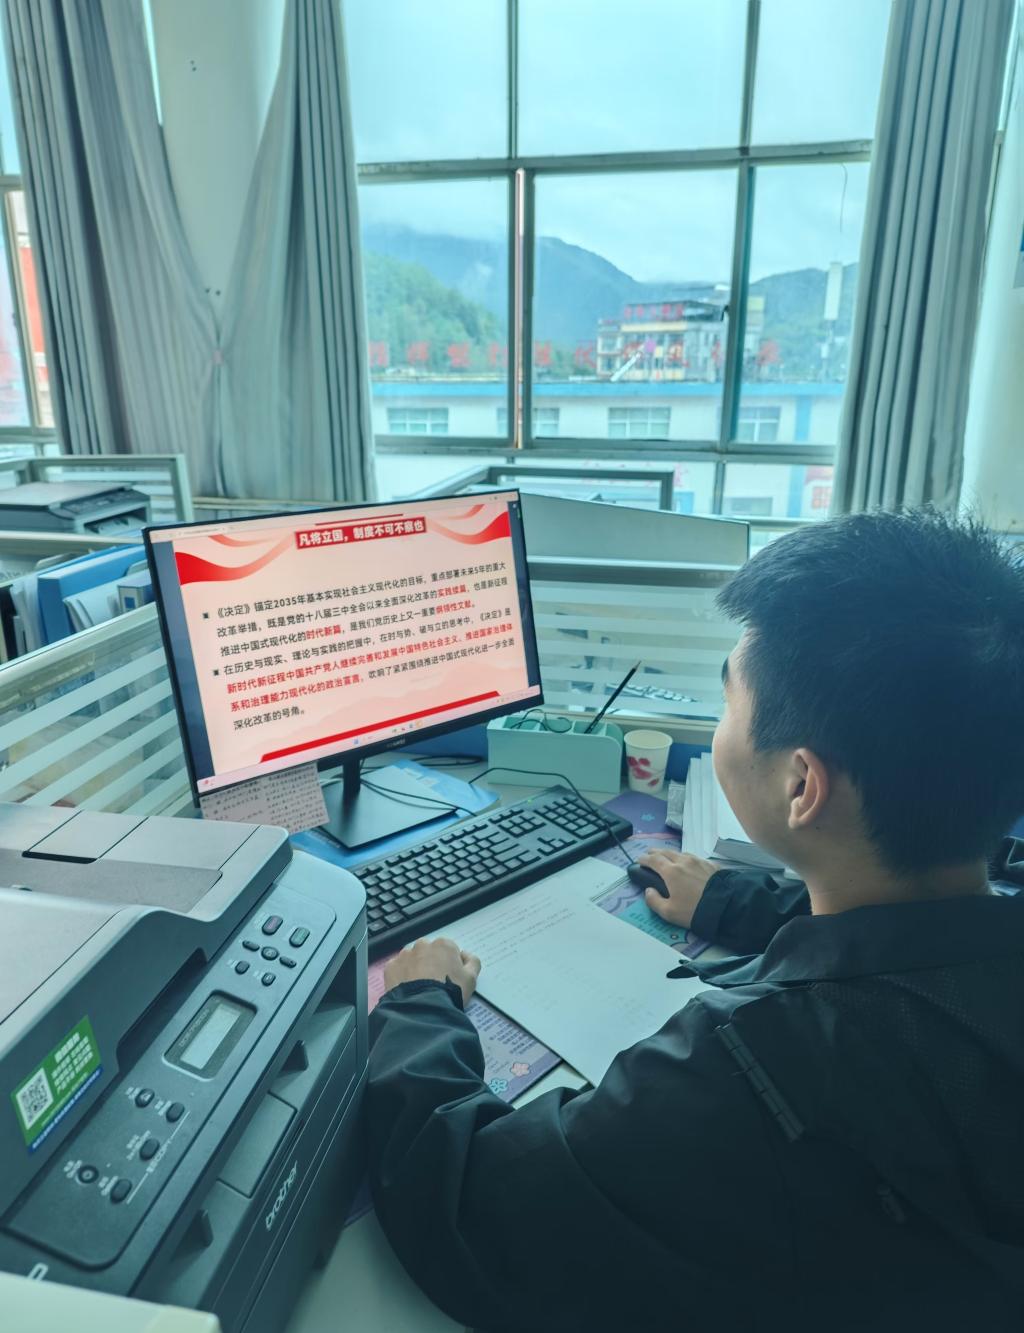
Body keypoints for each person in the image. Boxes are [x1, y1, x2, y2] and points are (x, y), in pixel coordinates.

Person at [365, 509, 1024, 1333]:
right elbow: (915, 936)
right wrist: (737, 901)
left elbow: (472, 1202)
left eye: (728, 703)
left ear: (801, 785)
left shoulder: (749, 1069)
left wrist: (419, 1006)